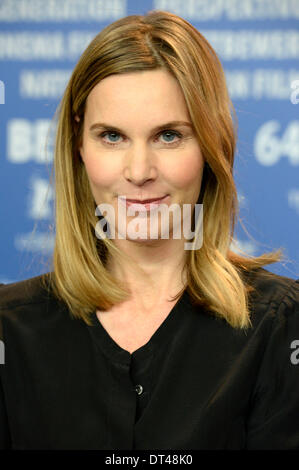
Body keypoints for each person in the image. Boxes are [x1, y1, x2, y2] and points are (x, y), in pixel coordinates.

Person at [0, 9, 299, 451]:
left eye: (169, 136)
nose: (139, 171)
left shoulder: (281, 326)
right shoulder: (9, 330)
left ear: (212, 145)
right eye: (112, 137)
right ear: (78, 144)